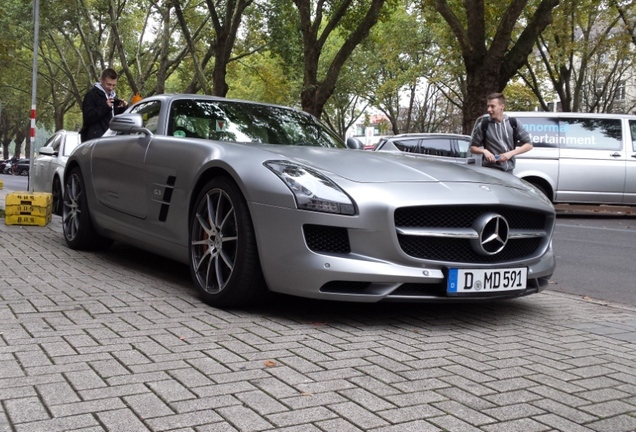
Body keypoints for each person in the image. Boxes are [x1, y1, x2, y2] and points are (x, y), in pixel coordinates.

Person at [469, 92, 532, 173]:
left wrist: (510, 153)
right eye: (488, 106)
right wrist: (484, 151)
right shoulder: (483, 125)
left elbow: (529, 145)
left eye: (492, 106)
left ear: (502, 106)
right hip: (489, 171)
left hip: (508, 171)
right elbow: (472, 148)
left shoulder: (513, 123)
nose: (489, 109)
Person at [80, 68, 128, 142]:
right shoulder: (91, 95)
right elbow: (87, 117)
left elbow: (116, 119)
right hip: (95, 140)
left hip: (112, 140)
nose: (111, 88)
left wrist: (123, 108)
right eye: (108, 84)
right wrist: (105, 107)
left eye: (114, 85)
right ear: (101, 80)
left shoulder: (114, 97)